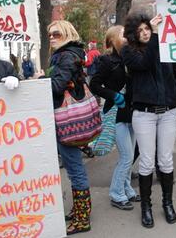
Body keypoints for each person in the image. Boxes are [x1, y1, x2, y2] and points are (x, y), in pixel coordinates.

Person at [121, 13, 176, 228]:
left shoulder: (166, 49)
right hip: (144, 114)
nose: (145, 33)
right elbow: (144, 63)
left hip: (168, 112)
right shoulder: (129, 53)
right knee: (147, 162)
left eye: (147, 29)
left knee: (166, 160)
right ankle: (146, 207)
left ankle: (167, 203)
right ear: (134, 33)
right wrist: (155, 39)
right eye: (141, 30)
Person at [47, 20, 91, 235]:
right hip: (70, 119)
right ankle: (80, 210)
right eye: (50, 35)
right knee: (74, 167)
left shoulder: (66, 57)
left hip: (67, 121)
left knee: (75, 168)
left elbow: (56, 86)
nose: (52, 37)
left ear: (66, 34)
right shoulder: (69, 54)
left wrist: (40, 79)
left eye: (56, 34)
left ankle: (83, 219)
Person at [90, 25, 140, 211]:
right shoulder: (106, 60)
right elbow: (94, 84)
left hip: (132, 112)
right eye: (122, 34)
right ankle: (116, 193)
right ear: (112, 40)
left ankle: (126, 189)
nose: (126, 36)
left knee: (130, 154)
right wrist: (112, 95)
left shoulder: (131, 57)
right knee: (126, 156)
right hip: (116, 113)